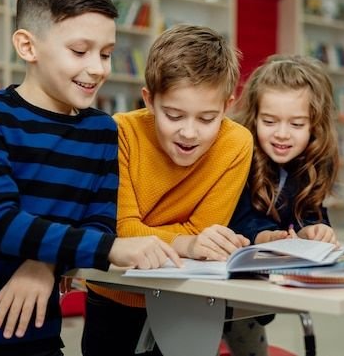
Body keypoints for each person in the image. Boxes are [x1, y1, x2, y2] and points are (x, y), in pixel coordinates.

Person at [0, 0, 181, 356]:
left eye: (106, 53)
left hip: (37, 334)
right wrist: (112, 249)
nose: (99, 68)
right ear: (27, 46)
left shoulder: (102, 130)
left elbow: (97, 219)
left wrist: (43, 265)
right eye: (80, 51)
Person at [82, 24, 255, 356]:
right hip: (115, 294)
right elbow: (120, 231)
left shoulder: (236, 143)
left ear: (228, 106)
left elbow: (202, 233)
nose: (189, 133)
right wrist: (188, 242)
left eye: (207, 119)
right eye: (173, 115)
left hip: (187, 296)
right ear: (149, 99)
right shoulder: (120, 132)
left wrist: (181, 239)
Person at [225, 54, 340, 354]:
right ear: (253, 117)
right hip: (219, 279)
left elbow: (312, 214)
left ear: (315, 125)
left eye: (297, 123)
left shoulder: (314, 161)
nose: (282, 134)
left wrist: (315, 231)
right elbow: (235, 216)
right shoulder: (240, 153)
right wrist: (264, 236)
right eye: (269, 121)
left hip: (257, 289)